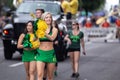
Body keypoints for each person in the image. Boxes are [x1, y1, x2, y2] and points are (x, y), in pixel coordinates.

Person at [35, 12, 58, 80]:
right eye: (46, 17)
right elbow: (34, 39)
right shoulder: (39, 29)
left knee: (50, 77)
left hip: (50, 54)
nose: (48, 19)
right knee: (39, 75)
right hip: (40, 53)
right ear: (43, 19)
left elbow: (52, 38)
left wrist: (44, 33)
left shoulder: (54, 29)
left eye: (50, 17)